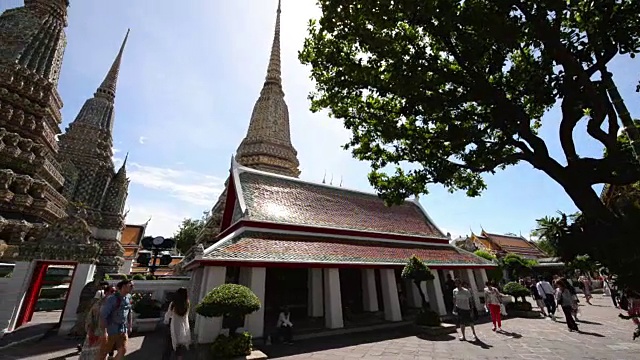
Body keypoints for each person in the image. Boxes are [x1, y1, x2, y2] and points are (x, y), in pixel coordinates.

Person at [99, 279, 134, 360]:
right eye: (130, 285)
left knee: (123, 350)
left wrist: (130, 325)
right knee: (104, 352)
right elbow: (103, 315)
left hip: (122, 329)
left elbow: (129, 312)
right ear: (124, 286)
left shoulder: (128, 298)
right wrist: (104, 331)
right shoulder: (112, 299)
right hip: (111, 329)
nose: (132, 287)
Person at [78, 286, 114, 359]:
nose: (113, 294)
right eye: (112, 292)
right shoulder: (98, 304)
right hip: (97, 332)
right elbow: (91, 318)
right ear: (106, 293)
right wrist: (90, 331)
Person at [163, 287, 191, 360]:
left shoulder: (173, 303)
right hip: (181, 326)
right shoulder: (187, 303)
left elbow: (169, 314)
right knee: (179, 347)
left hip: (173, 325)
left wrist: (166, 321)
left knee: (168, 346)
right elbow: (186, 316)